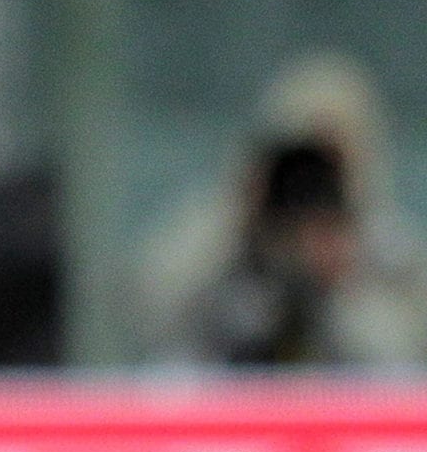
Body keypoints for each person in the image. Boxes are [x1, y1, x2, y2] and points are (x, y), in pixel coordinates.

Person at [136, 51, 427, 368]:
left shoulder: (395, 257)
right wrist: (238, 216)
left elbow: (401, 371)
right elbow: (149, 314)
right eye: (298, 161)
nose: (310, 182)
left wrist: (341, 283)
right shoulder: (230, 226)